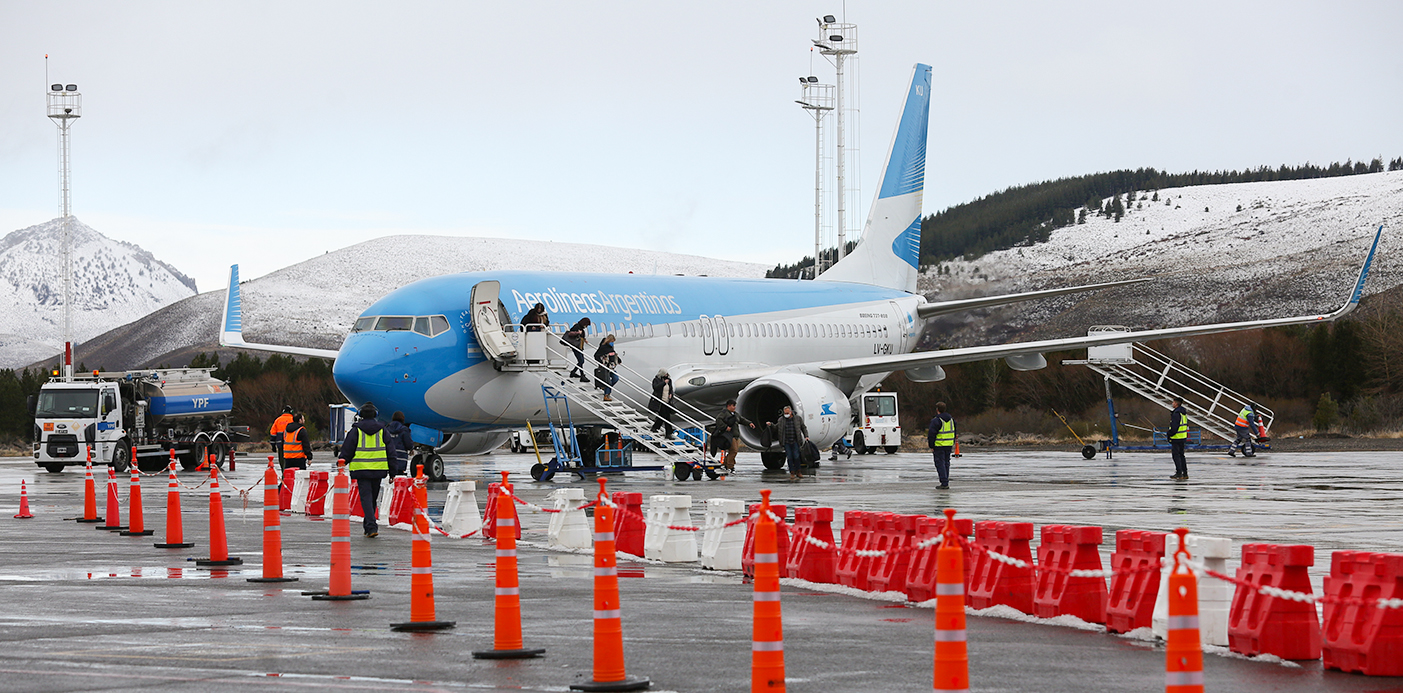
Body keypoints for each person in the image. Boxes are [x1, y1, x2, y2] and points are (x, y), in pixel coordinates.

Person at [337, 402, 389, 537]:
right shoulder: (383, 430)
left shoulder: (356, 431)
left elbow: (347, 449)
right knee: (372, 499)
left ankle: (371, 526)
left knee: (366, 498)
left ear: (360, 415)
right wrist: (394, 471)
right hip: (378, 469)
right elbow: (391, 451)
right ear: (376, 415)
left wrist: (342, 462)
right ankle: (369, 526)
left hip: (361, 469)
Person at [713, 398, 756, 471]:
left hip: (736, 436)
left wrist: (749, 423)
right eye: (733, 406)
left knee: (733, 451)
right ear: (728, 406)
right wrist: (725, 427)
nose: (735, 407)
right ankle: (730, 466)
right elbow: (718, 420)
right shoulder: (724, 413)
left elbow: (742, 419)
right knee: (734, 451)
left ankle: (725, 464)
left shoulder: (735, 414)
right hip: (730, 436)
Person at [770, 405, 809, 481]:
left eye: (787, 413)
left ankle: (798, 471)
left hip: (795, 441)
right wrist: (771, 425)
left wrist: (806, 436)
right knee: (790, 458)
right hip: (786, 442)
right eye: (785, 413)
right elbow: (776, 427)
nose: (786, 414)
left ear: (791, 412)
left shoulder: (797, 419)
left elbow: (803, 427)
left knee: (796, 457)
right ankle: (792, 472)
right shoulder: (781, 420)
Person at [927, 402, 955, 489]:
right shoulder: (951, 420)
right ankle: (945, 480)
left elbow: (931, 434)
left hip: (939, 445)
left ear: (937, 410)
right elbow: (954, 431)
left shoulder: (936, 420)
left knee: (940, 464)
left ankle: (944, 482)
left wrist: (931, 445)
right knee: (946, 463)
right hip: (949, 444)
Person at [384, 411, 413, 478]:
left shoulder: (387, 429)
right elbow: (408, 444)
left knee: (390, 478)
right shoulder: (404, 430)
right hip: (400, 459)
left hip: (389, 458)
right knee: (399, 478)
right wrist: (411, 448)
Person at [649, 369, 675, 439]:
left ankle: (655, 428)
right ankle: (668, 433)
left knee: (663, 417)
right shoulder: (656, 380)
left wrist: (671, 394)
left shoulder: (669, 381)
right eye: (665, 374)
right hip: (660, 402)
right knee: (666, 417)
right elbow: (656, 388)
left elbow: (671, 389)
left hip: (667, 401)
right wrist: (663, 383)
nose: (666, 375)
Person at [1167, 396, 1189, 480]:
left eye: (1173, 402)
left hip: (1176, 437)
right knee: (1181, 455)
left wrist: (1169, 434)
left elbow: (1174, 427)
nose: (1172, 404)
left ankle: (1179, 473)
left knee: (1176, 456)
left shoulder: (1176, 414)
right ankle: (1185, 473)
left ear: (1176, 403)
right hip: (1182, 437)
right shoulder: (1183, 413)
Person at [594, 334, 620, 401]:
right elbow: (596, 355)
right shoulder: (603, 347)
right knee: (610, 380)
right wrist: (601, 363)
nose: (613, 343)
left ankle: (606, 390)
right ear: (609, 341)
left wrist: (619, 360)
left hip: (611, 367)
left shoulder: (611, 348)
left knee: (615, 378)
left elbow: (613, 354)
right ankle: (606, 395)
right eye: (612, 341)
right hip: (604, 368)